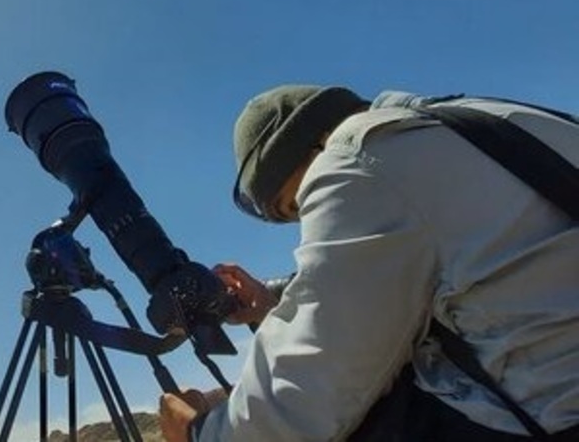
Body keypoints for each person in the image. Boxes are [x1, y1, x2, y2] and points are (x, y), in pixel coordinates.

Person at [159, 86, 579, 442]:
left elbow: (314, 387)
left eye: (299, 203)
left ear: (316, 143)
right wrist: (272, 296)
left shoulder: (353, 160)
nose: (309, 220)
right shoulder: (463, 118)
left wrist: (202, 431)